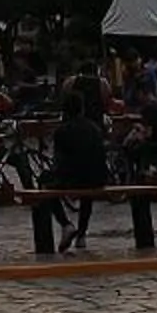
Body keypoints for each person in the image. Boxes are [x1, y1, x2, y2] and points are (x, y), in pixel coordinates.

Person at [49, 82, 111, 252]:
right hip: (98, 178)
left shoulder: (62, 131)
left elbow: (59, 161)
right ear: (82, 109)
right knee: (87, 194)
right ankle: (82, 235)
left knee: (46, 188)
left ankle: (65, 224)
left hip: (72, 179)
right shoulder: (94, 128)